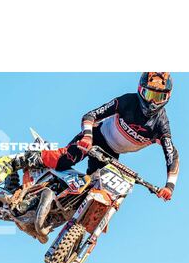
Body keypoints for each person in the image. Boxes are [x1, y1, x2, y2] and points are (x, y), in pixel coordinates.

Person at [13, 72, 179, 201]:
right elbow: (90, 115)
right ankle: (17, 161)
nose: (152, 102)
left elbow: (172, 155)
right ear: (141, 90)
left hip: (111, 155)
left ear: (167, 97)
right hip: (96, 137)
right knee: (65, 159)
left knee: (97, 191)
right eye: (149, 95)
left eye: (158, 97)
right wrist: (87, 136)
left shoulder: (161, 125)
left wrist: (169, 187)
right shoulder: (128, 101)